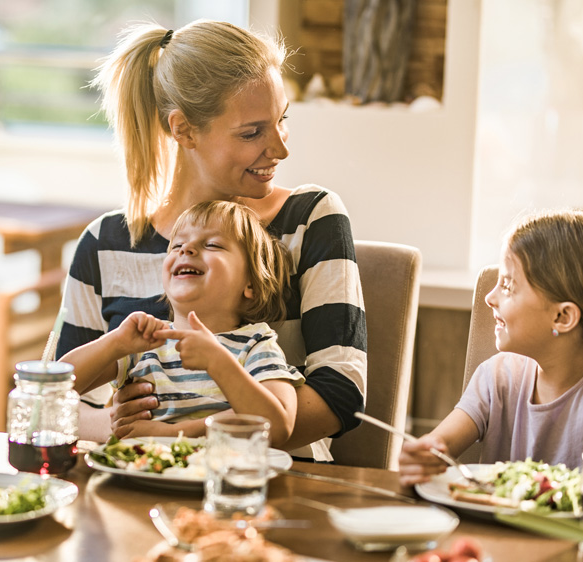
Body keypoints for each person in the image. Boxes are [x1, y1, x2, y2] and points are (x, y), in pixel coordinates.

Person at [56, 20, 367, 462]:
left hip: (268, 483)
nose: (280, 149)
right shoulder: (104, 243)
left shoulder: (311, 218)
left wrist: (178, 433)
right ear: (183, 130)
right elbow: (49, 397)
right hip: (139, 481)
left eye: (282, 121)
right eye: (251, 132)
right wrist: (121, 427)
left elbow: (341, 392)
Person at [399, 209, 583, 485]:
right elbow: (438, 447)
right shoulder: (496, 378)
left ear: (563, 317)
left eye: (508, 286)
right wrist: (420, 458)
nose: (490, 297)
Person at [60, 201, 303, 446]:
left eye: (212, 244)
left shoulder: (256, 344)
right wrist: (114, 343)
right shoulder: (144, 343)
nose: (186, 248)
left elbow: (278, 426)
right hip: (140, 477)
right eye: (176, 245)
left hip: (221, 480)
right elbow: (55, 387)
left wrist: (218, 363)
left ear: (250, 283)